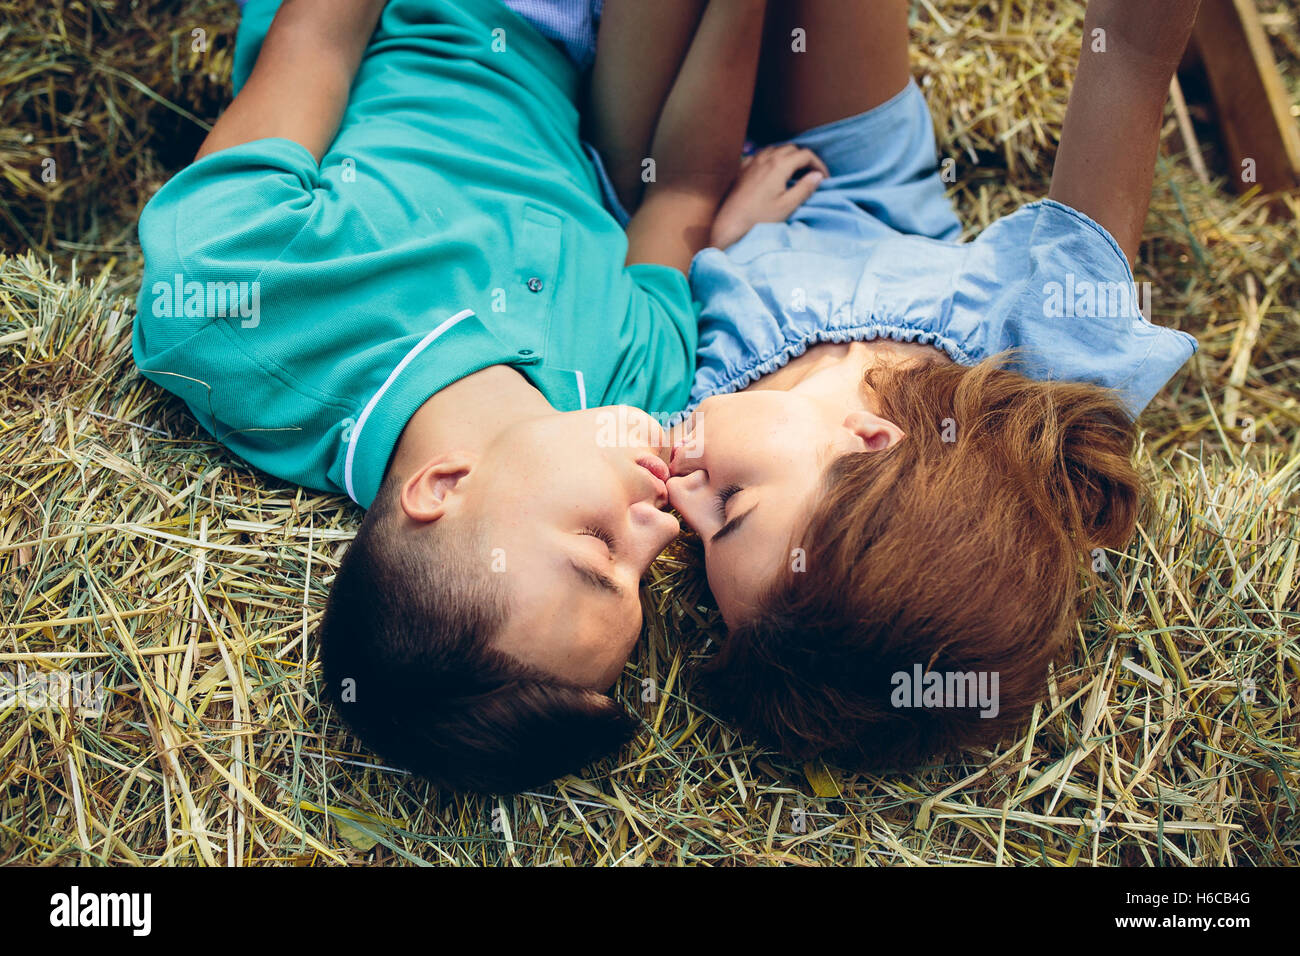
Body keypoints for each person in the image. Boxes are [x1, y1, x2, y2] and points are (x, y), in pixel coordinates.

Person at [132, 0, 766, 791]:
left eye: (598, 547)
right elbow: (679, 194)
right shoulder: (636, 387)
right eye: (640, 578)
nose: (663, 529)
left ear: (442, 487)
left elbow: (315, 41)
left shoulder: (242, 307)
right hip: (601, 71)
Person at [639, 0, 1201, 771]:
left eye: (698, 540)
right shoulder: (1038, 356)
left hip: (718, 191)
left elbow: (653, 271)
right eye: (730, 507)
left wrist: (725, 242)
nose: (680, 498)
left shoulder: (676, 416)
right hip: (858, 178)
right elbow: (1132, 59)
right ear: (870, 440)